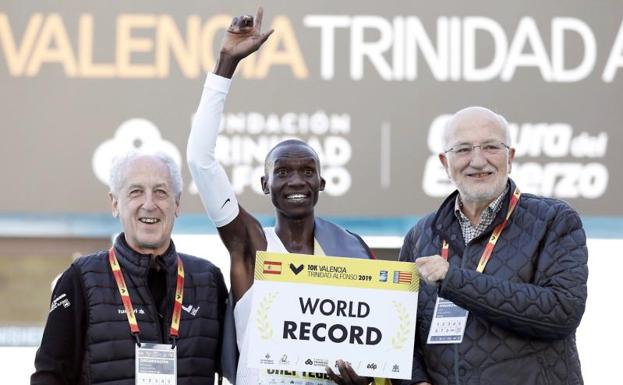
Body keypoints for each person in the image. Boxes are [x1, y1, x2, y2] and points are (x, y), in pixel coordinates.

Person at [186, 7, 390, 385]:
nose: (296, 181)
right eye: (282, 172)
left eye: (307, 172)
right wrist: (226, 64)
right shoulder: (251, 245)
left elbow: (374, 356)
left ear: (322, 183)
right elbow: (201, 162)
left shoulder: (352, 251)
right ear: (265, 186)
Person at [398, 107, 588, 385]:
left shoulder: (554, 220)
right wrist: (416, 381)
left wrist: (454, 279)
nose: (477, 161)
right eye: (462, 149)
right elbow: (400, 331)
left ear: (510, 157)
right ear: (444, 162)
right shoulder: (420, 235)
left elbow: (561, 311)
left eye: (491, 147)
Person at [31, 152, 228, 385]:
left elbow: (242, 366)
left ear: (177, 203)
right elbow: (50, 375)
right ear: (115, 203)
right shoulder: (80, 278)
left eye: (161, 192)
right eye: (136, 192)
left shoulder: (208, 280)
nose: (149, 204)